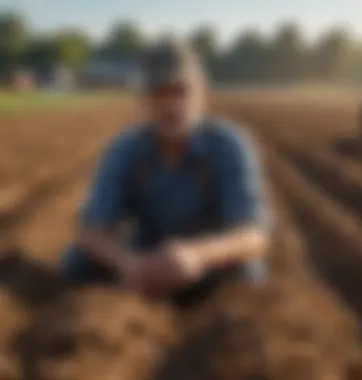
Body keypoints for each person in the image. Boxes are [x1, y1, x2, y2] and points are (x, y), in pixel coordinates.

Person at [62, 38, 272, 308]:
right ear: (143, 100)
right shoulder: (126, 148)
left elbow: (254, 235)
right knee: (77, 262)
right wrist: (127, 263)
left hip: (208, 263)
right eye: (158, 93)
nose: (170, 105)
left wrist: (197, 255)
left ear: (201, 95)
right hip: (146, 262)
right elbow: (90, 229)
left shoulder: (228, 145)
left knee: (248, 273)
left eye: (179, 91)